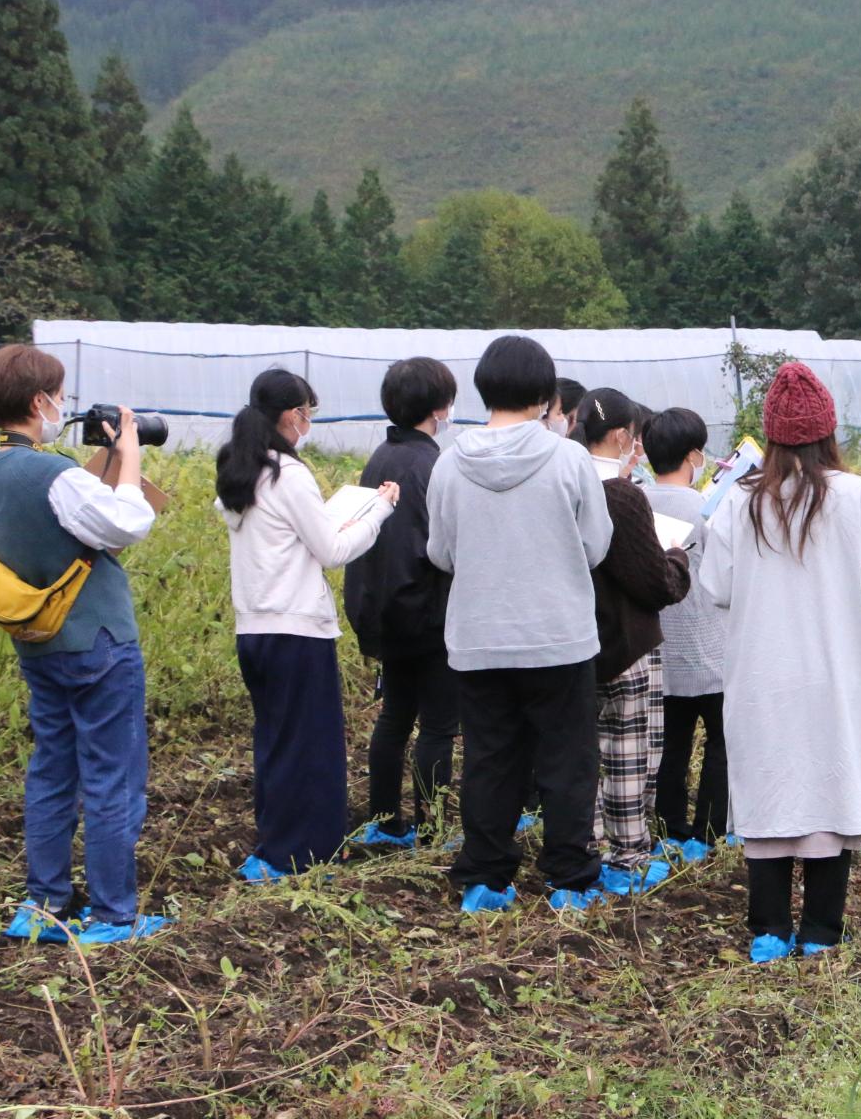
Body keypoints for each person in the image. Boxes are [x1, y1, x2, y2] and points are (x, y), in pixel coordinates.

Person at [699, 362, 861, 963]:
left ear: (770, 435)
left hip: (762, 675)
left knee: (770, 790)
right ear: (826, 433)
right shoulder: (857, 497)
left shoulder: (739, 505)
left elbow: (715, 586)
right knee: (832, 788)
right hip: (838, 678)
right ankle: (821, 931)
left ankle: (766, 931)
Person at [0, 344, 169, 946]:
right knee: (112, 776)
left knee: (53, 770)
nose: (64, 405)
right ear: (39, 402)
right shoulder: (49, 471)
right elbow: (126, 522)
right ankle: (113, 914)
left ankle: (45, 902)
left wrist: (103, 458)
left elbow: (59, 524)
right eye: (59, 396)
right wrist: (129, 449)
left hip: (41, 641)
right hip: (98, 642)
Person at [427, 336, 614, 913]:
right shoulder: (569, 459)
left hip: (480, 636)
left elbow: (440, 553)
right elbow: (596, 545)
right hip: (558, 635)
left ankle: (485, 875)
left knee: (490, 757)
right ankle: (568, 878)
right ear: (544, 394)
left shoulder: (449, 463)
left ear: (484, 389)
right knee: (567, 759)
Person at [217, 368, 398, 882]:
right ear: (294, 414)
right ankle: (304, 853)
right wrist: (379, 510)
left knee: (275, 741)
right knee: (312, 746)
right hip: (297, 630)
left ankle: (275, 844)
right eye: (309, 413)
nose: (309, 422)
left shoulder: (239, 468)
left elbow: (283, 536)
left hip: (254, 628)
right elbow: (334, 550)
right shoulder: (287, 473)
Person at [577, 388, 692, 893]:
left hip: (574, 644)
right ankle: (627, 858)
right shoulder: (623, 496)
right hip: (626, 643)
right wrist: (675, 556)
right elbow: (656, 585)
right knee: (629, 755)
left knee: (580, 754)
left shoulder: (563, 483)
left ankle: (585, 847)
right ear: (623, 436)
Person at [344, 357, 460, 847]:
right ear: (440, 407)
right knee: (436, 724)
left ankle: (385, 822)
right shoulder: (435, 465)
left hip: (382, 609)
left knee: (395, 716)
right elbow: (447, 544)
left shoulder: (381, 458)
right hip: (427, 610)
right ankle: (432, 828)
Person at [640, 408, 730, 861]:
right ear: (695, 455)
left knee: (670, 744)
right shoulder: (708, 510)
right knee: (721, 742)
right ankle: (709, 829)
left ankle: (668, 826)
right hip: (712, 647)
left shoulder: (635, 502)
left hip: (662, 649)